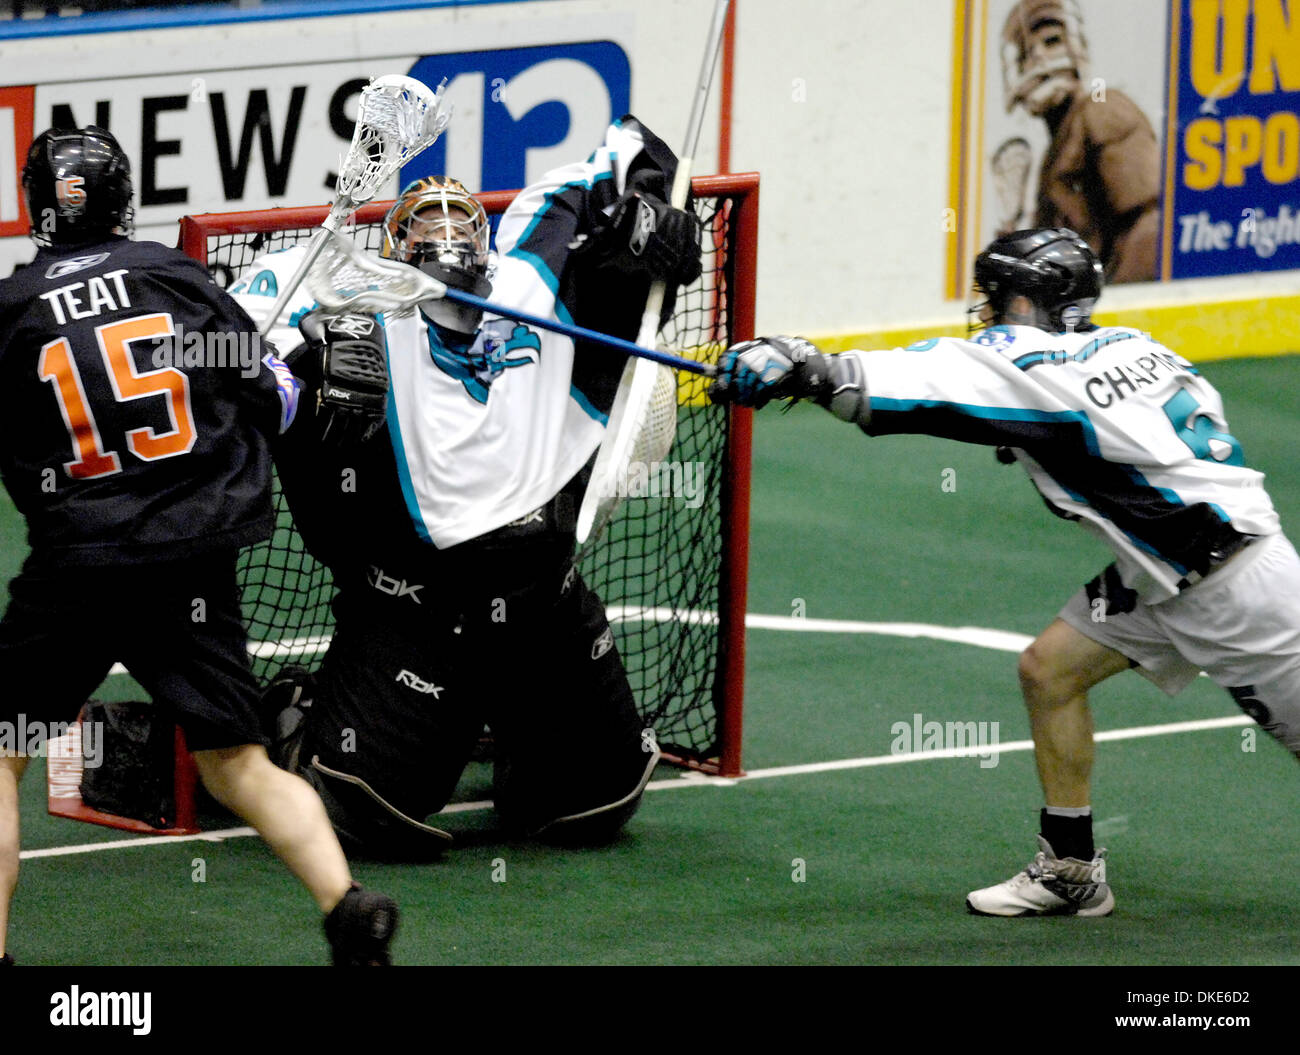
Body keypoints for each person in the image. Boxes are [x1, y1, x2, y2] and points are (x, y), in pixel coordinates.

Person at [708, 227, 1300, 916]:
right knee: (1049, 671)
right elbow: (1081, 420)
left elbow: (911, 381)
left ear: (1029, 300)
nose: (987, 310)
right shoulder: (1135, 344)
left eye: (998, 294)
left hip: (1239, 595)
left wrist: (804, 365)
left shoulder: (1026, 363)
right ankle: (1071, 870)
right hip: (1170, 565)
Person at [231, 116, 701, 858]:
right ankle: (295, 718)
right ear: (393, 244)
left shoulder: (532, 283)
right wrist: (307, 346)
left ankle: (513, 734)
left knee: (596, 803)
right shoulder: (352, 295)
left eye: (460, 217)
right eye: (422, 221)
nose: (444, 230)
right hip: (414, 609)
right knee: (366, 815)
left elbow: (633, 156)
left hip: (542, 600)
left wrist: (650, 219)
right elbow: (236, 332)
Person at [0, 126, 398, 965]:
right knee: (238, 762)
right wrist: (291, 358)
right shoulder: (175, 279)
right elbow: (280, 406)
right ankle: (347, 906)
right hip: (188, 563)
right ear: (123, 201)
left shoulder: (10, 310)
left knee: (3, 756)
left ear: (33, 206)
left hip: (76, 566)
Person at [995, 0, 1160, 283]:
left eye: (1052, 41)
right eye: (1026, 53)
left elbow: (1149, 225)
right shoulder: (1053, 154)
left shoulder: (1102, 109)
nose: (1039, 59)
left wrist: (1119, 302)